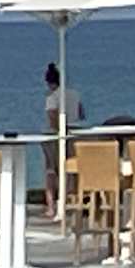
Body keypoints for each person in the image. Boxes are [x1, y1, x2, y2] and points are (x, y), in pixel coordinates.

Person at [42, 63, 83, 217]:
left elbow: (52, 117)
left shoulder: (52, 97)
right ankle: (69, 201)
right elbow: (81, 114)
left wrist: (59, 128)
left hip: (56, 136)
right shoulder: (75, 94)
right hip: (75, 134)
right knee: (71, 170)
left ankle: (51, 206)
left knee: (51, 171)